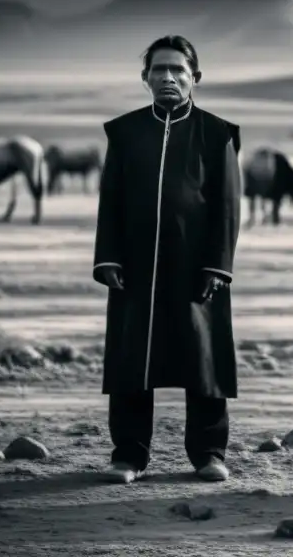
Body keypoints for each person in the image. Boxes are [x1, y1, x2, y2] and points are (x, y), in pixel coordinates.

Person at [93, 35, 243, 485]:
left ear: (194, 78)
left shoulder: (217, 135)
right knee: (131, 360)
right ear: (145, 78)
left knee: (204, 362)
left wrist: (218, 264)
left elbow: (228, 206)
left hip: (196, 270)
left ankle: (209, 454)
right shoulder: (124, 133)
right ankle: (129, 455)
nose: (168, 78)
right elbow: (110, 201)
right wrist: (108, 257)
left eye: (178, 70)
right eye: (159, 70)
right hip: (135, 270)